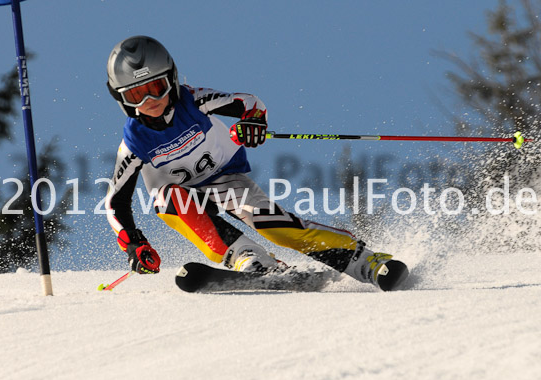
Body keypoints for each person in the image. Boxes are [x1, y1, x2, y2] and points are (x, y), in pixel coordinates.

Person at [104, 35, 408, 291]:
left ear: (171, 79)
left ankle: (366, 262)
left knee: (274, 227)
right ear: (121, 99)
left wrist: (253, 122)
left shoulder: (193, 100)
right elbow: (116, 203)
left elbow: (249, 103)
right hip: (182, 195)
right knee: (168, 201)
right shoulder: (133, 144)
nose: (149, 102)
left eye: (156, 88)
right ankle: (249, 259)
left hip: (225, 180)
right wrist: (134, 244)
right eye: (136, 95)